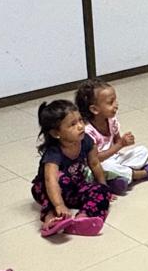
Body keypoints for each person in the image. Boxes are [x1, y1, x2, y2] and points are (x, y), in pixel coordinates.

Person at [32, 100, 112, 237]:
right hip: (49, 190)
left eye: (80, 120)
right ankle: (51, 219)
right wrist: (59, 205)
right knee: (60, 180)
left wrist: (103, 186)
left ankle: (83, 218)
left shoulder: (86, 141)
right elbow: (50, 180)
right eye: (73, 124)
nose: (80, 126)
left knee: (102, 190)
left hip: (75, 187)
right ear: (56, 133)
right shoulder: (54, 153)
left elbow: (94, 164)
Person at [74, 79, 148, 194]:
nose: (116, 105)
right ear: (94, 109)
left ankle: (117, 179)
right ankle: (140, 174)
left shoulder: (111, 120)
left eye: (115, 100)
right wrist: (120, 144)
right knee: (107, 167)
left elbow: (117, 142)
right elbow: (95, 159)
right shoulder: (88, 131)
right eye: (110, 102)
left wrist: (124, 141)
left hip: (115, 158)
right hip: (98, 166)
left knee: (143, 151)